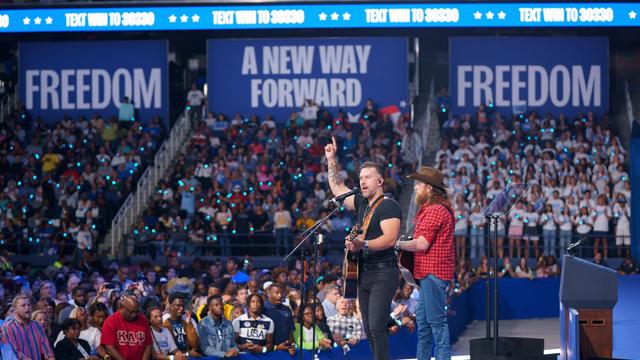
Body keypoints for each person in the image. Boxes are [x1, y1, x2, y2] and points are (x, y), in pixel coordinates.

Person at [325, 137, 402, 360]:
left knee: (377, 327)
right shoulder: (361, 203)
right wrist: (331, 160)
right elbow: (338, 189)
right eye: (360, 178)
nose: (362, 181)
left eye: (367, 177)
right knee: (369, 329)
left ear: (380, 181)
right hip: (362, 273)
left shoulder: (389, 206)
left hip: (383, 272)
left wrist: (363, 244)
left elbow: (389, 239)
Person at [395, 166, 455, 360]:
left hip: (433, 272)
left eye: (419, 184)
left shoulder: (435, 210)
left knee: (436, 323)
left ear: (429, 188)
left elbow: (422, 243)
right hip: (427, 273)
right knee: (423, 322)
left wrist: (396, 243)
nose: (415, 188)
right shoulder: (430, 208)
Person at [1, 295, 55, 360]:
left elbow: (47, 351)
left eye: (29, 305)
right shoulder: (8, 327)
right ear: (15, 309)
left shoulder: (38, 326)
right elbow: (14, 352)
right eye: (23, 305)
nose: (27, 307)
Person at [100, 295, 153, 360]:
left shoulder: (143, 320)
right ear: (122, 307)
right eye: (131, 312)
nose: (134, 315)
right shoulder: (110, 321)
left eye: (136, 312)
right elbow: (109, 348)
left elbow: (148, 345)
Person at [162, 293, 200, 358]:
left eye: (182, 305)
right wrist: (188, 353)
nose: (181, 308)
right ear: (171, 306)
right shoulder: (165, 324)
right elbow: (170, 350)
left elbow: (195, 344)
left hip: (189, 356)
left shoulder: (186, 322)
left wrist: (189, 324)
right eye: (178, 305)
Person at [263, 283, 296, 355]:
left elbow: (290, 331)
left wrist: (292, 345)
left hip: (285, 350)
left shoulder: (286, 309)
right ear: (269, 294)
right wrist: (276, 347)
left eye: (281, 293)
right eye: (277, 293)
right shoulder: (263, 309)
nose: (280, 295)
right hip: (268, 353)